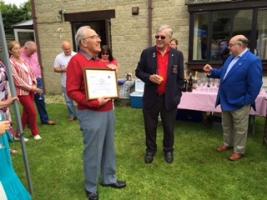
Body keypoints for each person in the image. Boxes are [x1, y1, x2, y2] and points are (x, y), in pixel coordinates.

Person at [66, 26, 126, 200]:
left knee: (109, 146)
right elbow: (72, 90)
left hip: (108, 110)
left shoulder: (98, 61)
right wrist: (92, 102)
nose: (100, 40)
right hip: (91, 112)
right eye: (95, 37)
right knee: (93, 150)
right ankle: (91, 187)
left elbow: (108, 77)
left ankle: (108, 178)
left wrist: (113, 68)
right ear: (84, 42)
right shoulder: (76, 61)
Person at [203, 35, 262, 161]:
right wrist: (212, 71)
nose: (228, 47)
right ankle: (227, 143)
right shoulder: (231, 58)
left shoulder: (253, 61)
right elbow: (224, 73)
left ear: (240, 45)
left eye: (230, 45)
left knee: (240, 128)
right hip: (225, 99)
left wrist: (246, 101)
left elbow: (256, 85)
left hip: (240, 102)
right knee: (227, 125)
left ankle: (239, 150)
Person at [135, 25, 184, 164]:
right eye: (157, 36)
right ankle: (150, 150)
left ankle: (168, 150)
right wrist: (149, 77)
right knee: (150, 126)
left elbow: (180, 78)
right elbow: (138, 71)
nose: (159, 39)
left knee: (169, 126)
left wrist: (177, 96)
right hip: (152, 97)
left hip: (169, 98)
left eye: (163, 37)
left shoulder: (177, 55)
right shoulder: (147, 53)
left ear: (169, 39)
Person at [9, 41, 42, 140]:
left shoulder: (22, 60)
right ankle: (35, 132)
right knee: (32, 112)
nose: (18, 50)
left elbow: (31, 72)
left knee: (26, 113)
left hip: (31, 89)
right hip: (22, 92)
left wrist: (34, 82)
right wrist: (32, 88)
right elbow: (17, 80)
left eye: (19, 48)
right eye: (15, 49)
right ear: (10, 51)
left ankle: (18, 134)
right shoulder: (11, 63)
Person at [21, 41, 55, 125]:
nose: (33, 53)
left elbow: (37, 65)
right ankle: (29, 122)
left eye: (34, 51)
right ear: (25, 48)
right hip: (27, 82)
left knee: (40, 100)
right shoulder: (19, 55)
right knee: (29, 103)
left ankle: (45, 120)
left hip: (38, 79)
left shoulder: (34, 54)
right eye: (31, 52)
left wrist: (39, 76)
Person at [53, 41, 77, 121]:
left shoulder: (76, 55)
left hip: (76, 82)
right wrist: (63, 69)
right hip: (65, 83)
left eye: (69, 48)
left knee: (77, 100)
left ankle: (79, 115)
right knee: (68, 100)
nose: (68, 50)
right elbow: (55, 69)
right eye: (66, 49)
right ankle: (72, 115)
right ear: (62, 49)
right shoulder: (58, 57)